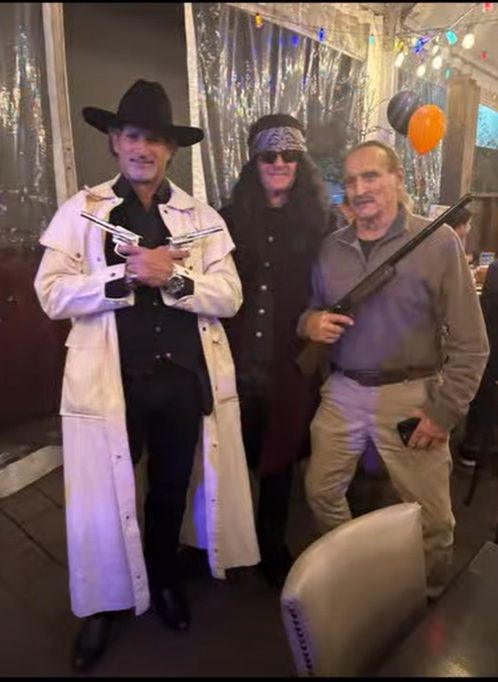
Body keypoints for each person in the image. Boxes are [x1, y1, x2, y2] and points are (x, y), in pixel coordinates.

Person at [34, 80, 259, 671]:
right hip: (113, 384)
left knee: (168, 489)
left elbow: (230, 295)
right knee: (105, 496)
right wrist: (125, 279)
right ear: (115, 141)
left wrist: (174, 279)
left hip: (182, 382)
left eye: (156, 140)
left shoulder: (201, 218)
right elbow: (51, 294)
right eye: (133, 136)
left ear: (171, 150)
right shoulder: (82, 211)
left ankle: (162, 578)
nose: (143, 149)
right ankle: (105, 602)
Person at [297, 140, 489, 599]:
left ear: (398, 179)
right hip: (342, 391)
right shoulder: (332, 248)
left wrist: (443, 413)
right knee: (321, 493)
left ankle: (426, 598)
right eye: (351, 180)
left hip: (411, 394)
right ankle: (355, 577)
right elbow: (309, 312)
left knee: (432, 518)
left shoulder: (438, 242)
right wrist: (310, 323)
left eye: (371, 176)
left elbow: (472, 344)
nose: (360, 189)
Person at [220, 114, 334, 588]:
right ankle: (228, 542)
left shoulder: (323, 223)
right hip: (236, 356)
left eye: (290, 154)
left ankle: (270, 544)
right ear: (255, 160)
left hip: (291, 360)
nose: (280, 162)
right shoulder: (227, 220)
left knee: (280, 454)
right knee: (231, 452)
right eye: (269, 154)